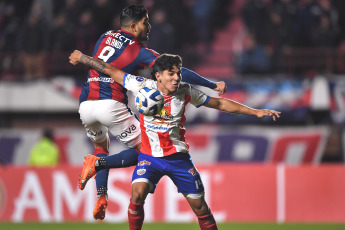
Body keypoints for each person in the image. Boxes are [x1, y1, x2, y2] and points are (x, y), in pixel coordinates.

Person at [69, 50, 280, 229]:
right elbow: (109, 69)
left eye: (178, 73)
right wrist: (83, 57)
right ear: (158, 75)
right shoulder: (141, 85)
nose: (177, 78)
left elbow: (220, 104)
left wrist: (257, 112)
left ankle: (99, 163)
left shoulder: (185, 91)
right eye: (172, 74)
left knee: (200, 208)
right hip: (149, 157)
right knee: (137, 194)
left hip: (178, 158)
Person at [77, 4, 227, 220]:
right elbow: (177, 71)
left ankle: (101, 194)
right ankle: (97, 163)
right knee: (147, 151)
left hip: (86, 105)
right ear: (134, 25)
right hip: (110, 103)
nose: (149, 26)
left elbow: (102, 63)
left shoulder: (105, 36)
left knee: (101, 147)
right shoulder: (138, 50)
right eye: (145, 22)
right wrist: (212, 85)